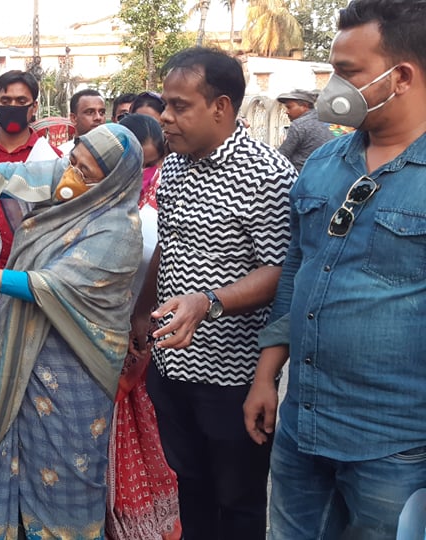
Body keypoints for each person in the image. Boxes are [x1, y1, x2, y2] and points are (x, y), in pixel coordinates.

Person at [243, 1, 426, 537]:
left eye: (348, 72)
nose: (334, 87)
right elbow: (296, 274)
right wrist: (266, 376)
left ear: (402, 77)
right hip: (303, 427)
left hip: (397, 447)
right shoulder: (324, 163)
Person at [0, 123, 144, 538]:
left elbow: (47, 286)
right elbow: (8, 174)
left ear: (110, 184)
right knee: (25, 455)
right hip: (29, 357)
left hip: (78, 367)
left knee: (71, 470)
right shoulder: (69, 178)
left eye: (85, 171)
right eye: (73, 160)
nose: (71, 174)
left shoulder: (118, 230)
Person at [128, 47, 297, 540]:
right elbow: (168, 244)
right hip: (171, 366)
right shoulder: (174, 167)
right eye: (165, 104)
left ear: (221, 107)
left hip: (233, 377)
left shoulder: (267, 175)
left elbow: (281, 271)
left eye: (179, 106)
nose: (164, 117)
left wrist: (209, 302)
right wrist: (142, 310)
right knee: (188, 489)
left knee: (237, 501)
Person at [111, 112, 180, 539]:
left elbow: (159, 260)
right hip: (97, 338)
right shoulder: (87, 201)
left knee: (143, 435)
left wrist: (141, 317)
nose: (146, 175)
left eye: (152, 163)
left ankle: (138, 521)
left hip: (141, 336)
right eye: (138, 165)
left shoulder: (160, 205)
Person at [0, 69, 62, 268]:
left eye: (21, 101)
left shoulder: (51, 158)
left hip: (32, 268)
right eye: (6, 101)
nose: (13, 106)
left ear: (34, 107)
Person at [276, 89, 335, 171]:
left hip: (303, 173)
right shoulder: (329, 121)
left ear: (304, 106)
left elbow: (281, 155)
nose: (287, 112)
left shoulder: (298, 125)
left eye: (289, 107)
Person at [59, 88, 108, 154]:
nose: (98, 117)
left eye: (102, 112)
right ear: (73, 118)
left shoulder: (115, 153)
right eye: (90, 112)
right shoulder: (61, 155)